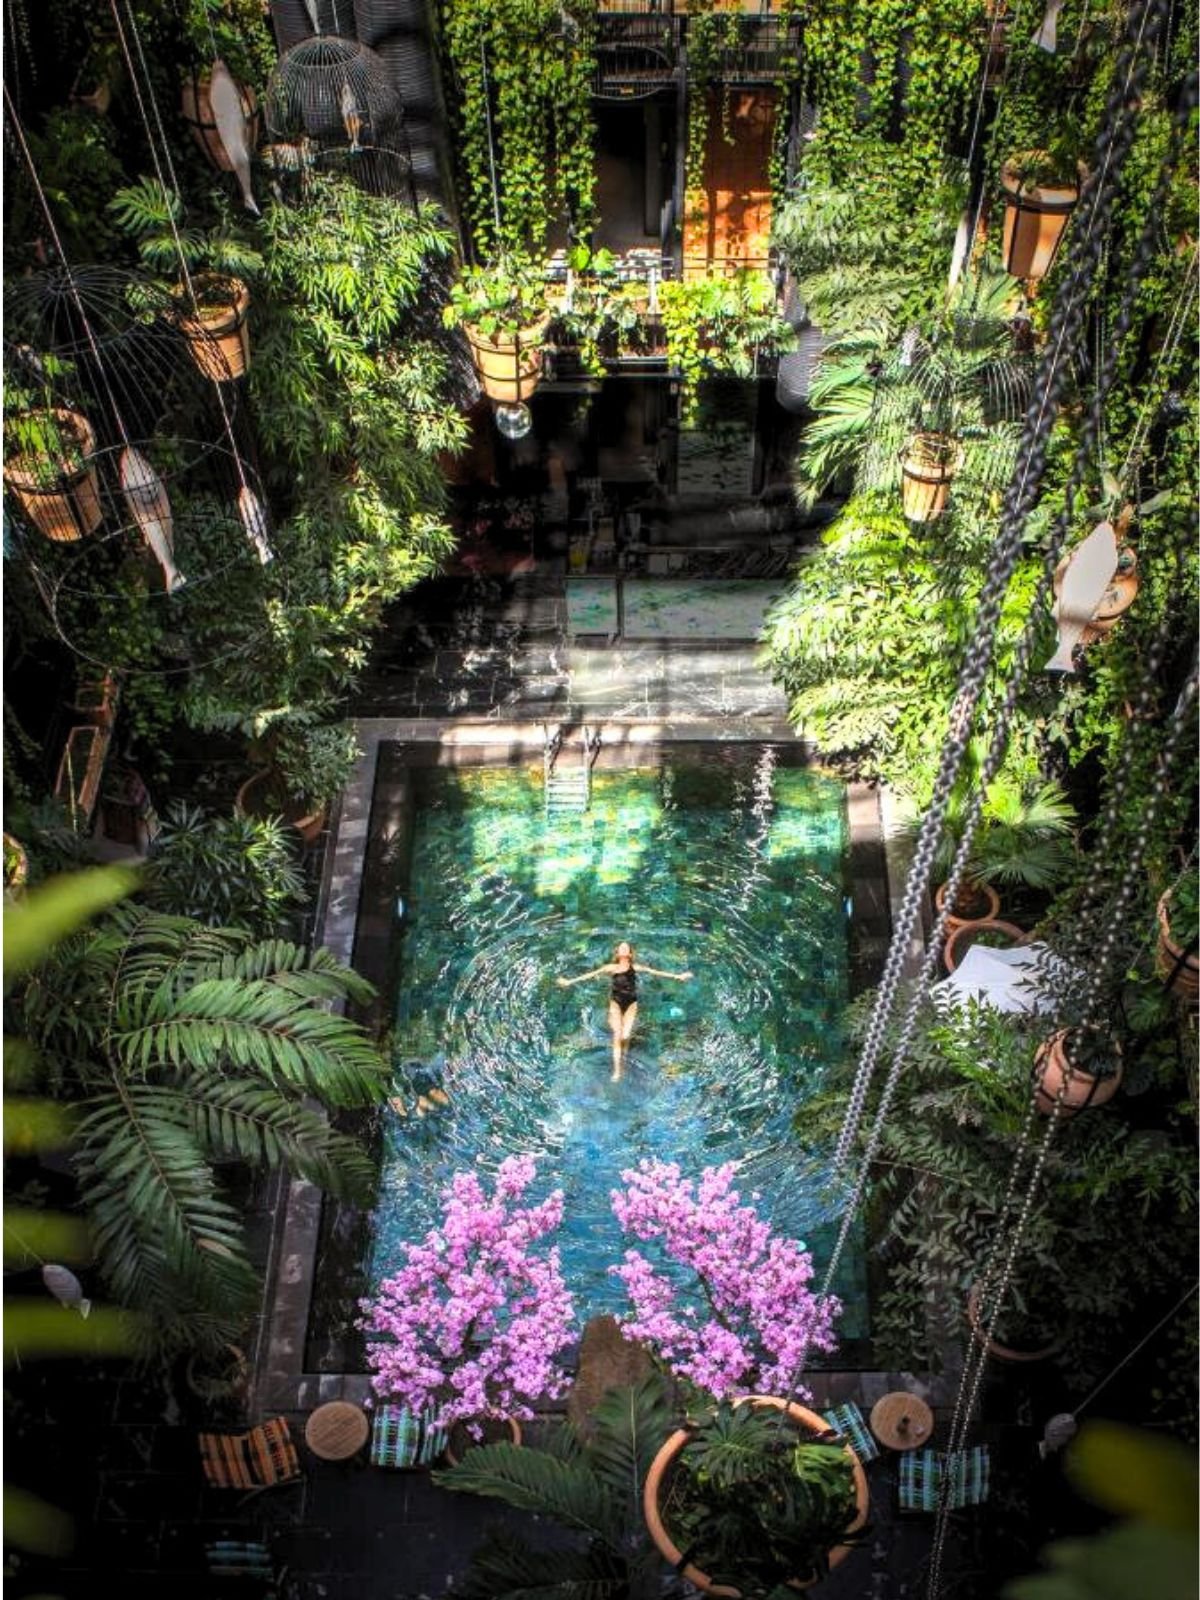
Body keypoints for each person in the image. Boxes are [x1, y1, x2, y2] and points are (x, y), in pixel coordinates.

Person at [557, 941, 693, 1082]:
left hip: (631, 1004)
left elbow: (655, 972)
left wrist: (678, 976)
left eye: (626, 948)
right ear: (617, 953)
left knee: (626, 1035)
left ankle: (624, 1059)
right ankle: (617, 1071)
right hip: (615, 1003)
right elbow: (590, 975)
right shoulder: (611, 967)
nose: (623, 948)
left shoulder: (635, 967)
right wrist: (569, 982)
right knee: (617, 1034)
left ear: (629, 954)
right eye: (621, 947)